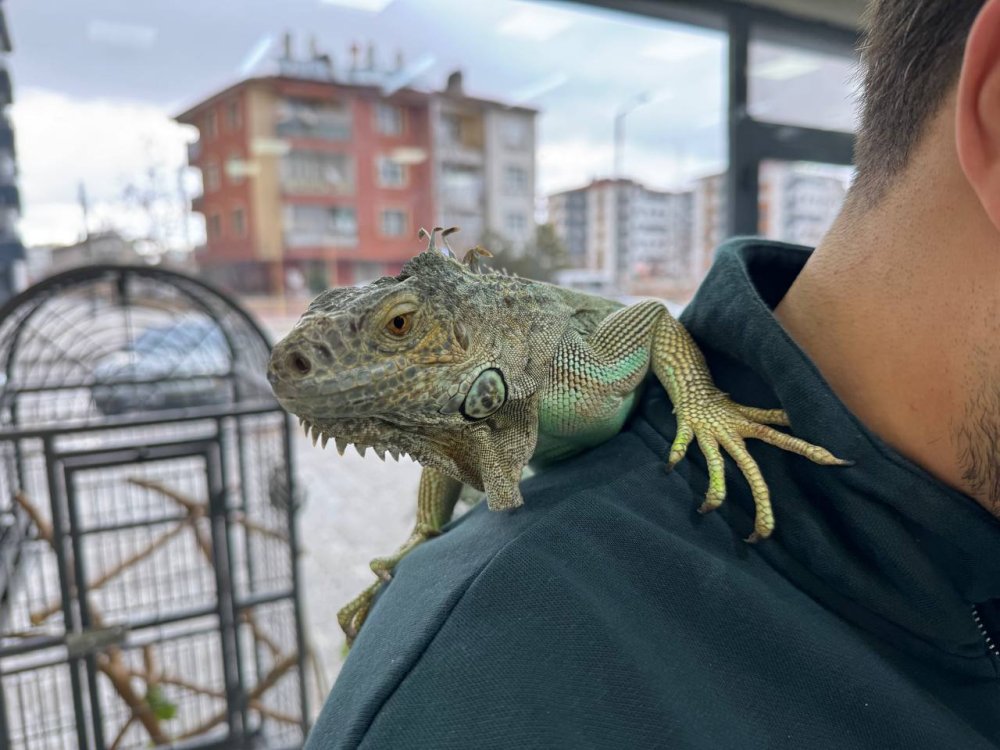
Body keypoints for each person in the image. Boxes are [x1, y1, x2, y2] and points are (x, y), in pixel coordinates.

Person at [304, 0, 1000, 746]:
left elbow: (648, 321)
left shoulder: (563, 368)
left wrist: (700, 401)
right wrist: (425, 536)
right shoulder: (485, 673)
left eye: (401, 328)